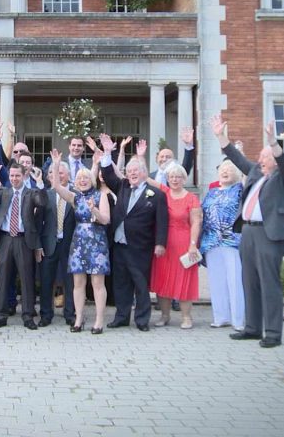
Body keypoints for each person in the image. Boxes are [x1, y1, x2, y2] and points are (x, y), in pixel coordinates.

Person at [210, 114, 284, 348]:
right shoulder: (257, 174)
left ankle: (272, 333)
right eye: (259, 157)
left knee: (269, 283)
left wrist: (274, 144)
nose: (259, 161)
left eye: (264, 157)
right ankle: (252, 327)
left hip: (269, 234)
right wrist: (221, 136)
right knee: (249, 281)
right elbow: (238, 159)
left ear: (275, 160)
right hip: (247, 232)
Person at [97, 133, 168, 332]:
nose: (133, 173)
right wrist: (108, 152)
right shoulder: (122, 186)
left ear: (144, 173)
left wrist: (160, 243)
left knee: (140, 283)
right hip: (119, 244)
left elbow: (162, 221)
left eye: (136, 170)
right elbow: (108, 174)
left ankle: (142, 319)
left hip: (141, 246)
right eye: (129, 171)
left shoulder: (156, 195)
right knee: (121, 283)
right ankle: (121, 317)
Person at [48, 148, 111, 333]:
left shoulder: (101, 196)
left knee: (98, 284)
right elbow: (58, 188)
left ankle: (99, 321)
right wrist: (57, 165)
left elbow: (106, 220)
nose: (83, 181)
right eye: (79, 179)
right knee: (78, 283)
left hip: (97, 243)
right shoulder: (75, 197)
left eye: (86, 178)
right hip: (78, 243)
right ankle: (79, 319)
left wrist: (95, 210)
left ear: (91, 180)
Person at [0, 162, 48, 330]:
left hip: (23, 240)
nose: (14, 179)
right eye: (12, 175)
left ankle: (28, 315)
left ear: (23, 176)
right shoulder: (5, 192)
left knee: (27, 278)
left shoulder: (31, 193)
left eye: (17, 176)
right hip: (5, 239)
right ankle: (1, 315)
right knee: (4, 277)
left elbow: (42, 202)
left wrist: (41, 184)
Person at [144, 159, 203, 330]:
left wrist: (193, 244)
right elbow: (146, 178)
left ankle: (186, 317)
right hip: (164, 244)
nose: (175, 179)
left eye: (178, 177)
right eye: (172, 177)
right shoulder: (164, 193)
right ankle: (165, 315)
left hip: (184, 243)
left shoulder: (191, 199)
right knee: (163, 280)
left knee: (184, 280)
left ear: (184, 179)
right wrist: (140, 157)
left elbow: (196, 223)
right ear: (167, 179)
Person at [199, 160, 245, 330]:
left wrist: (239, 156)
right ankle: (220, 317)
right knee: (216, 281)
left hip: (232, 241)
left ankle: (238, 320)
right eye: (223, 170)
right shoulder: (211, 193)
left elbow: (248, 178)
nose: (225, 172)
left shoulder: (239, 189)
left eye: (229, 170)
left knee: (235, 281)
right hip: (211, 241)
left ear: (236, 174)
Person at [44, 161, 77, 327]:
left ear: (68, 175)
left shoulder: (75, 195)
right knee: (46, 280)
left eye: (61, 173)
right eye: (54, 173)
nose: (57, 176)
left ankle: (70, 314)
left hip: (69, 244)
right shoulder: (45, 195)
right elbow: (38, 222)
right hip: (49, 244)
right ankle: (46, 314)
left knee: (70, 281)